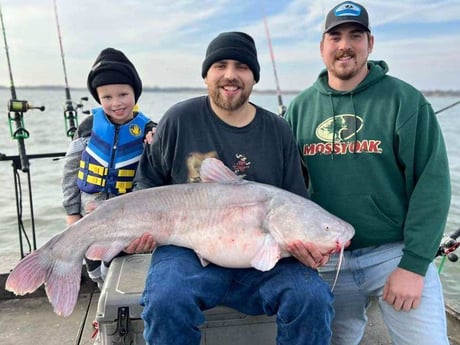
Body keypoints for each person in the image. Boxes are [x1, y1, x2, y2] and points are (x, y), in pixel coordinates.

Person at [133, 31, 334, 345]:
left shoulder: (278, 131)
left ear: (254, 77)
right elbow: (146, 186)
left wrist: (308, 245)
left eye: (241, 66)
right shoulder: (178, 120)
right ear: (206, 75)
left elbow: (295, 205)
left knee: (311, 297)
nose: (230, 75)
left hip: (263, 257)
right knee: (166, 299)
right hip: (186, 250)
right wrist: (137, 233)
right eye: (220, 66)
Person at [284, 2, 452, 345]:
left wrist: (414, 264)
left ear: (370, 43)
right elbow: (288, 191)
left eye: (355, 35)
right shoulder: (300, 108)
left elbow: (432, 186)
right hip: (326, 259)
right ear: (322, 46)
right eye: (336, 36)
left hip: (393, 253)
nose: (345, 44)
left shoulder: (405, 101)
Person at [62, 47, 156, 288]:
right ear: (98, 98)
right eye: (107, 97)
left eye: (123, 94)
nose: (116, 103)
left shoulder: (149, 130)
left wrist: (156, 141)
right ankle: (102, 294)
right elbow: (71, 173)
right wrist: (72, 214)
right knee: (94, 271)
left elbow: (153, 179)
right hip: (88, 216)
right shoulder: (86, 128)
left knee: (119, 266)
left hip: (127, 220)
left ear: (135, 92)